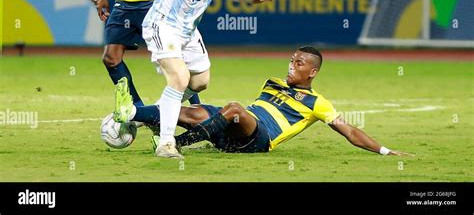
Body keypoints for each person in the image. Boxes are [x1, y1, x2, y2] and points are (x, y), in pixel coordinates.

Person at [85, 0, 275, 159]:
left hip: (188, 31)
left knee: (200, 81)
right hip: (163, 24)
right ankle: (165, 144)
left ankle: (144, 113)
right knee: (180, 78)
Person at [115, 46, 412, 156]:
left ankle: (175, 145)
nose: (291, 66)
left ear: (313, 71)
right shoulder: (272, 83)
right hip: (233, 128)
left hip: (258, 138)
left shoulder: (318, 103)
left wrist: (385, 151)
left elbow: (350, 131)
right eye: (291, 60)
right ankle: (133, 114)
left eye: (298, 64)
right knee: (191, 110)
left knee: (232, 108)